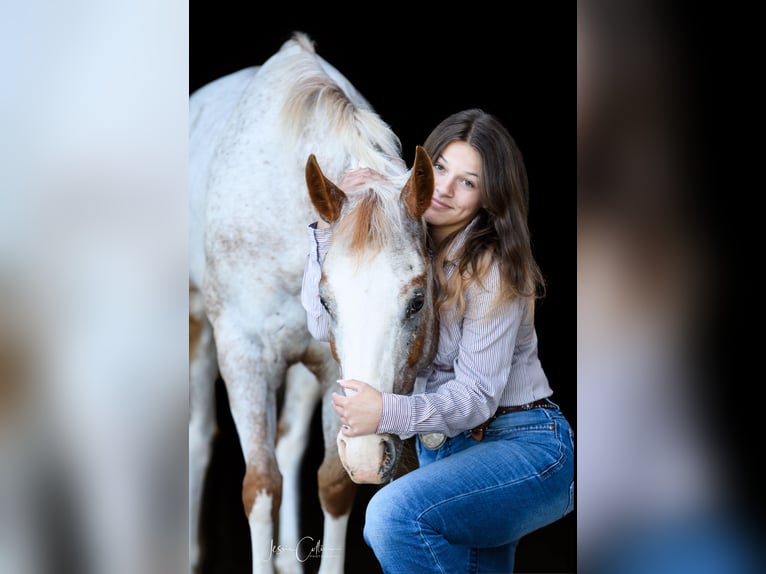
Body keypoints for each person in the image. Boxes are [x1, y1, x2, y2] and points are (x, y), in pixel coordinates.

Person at [301, 108, 574, 573]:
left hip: (523, 444)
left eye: (468, 181)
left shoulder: (493, 267)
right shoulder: (409, 245)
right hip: (446, 451)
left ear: (491, 196)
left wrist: (384, 411)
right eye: (442, 169)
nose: (445, 189)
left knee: (392, 517)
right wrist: (334, 226)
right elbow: (323, 322)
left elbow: (477, 397)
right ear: (423, 172)